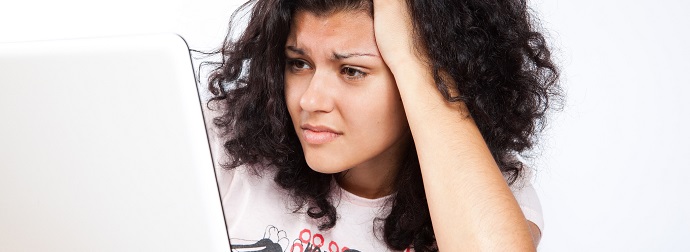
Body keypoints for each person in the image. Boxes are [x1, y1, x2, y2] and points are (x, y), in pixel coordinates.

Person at [205, 0, 560, 251]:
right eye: (299, 64)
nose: (310, 101)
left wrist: (416, 60)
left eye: (352, 71)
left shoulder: (487, 192)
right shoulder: (224, 142)